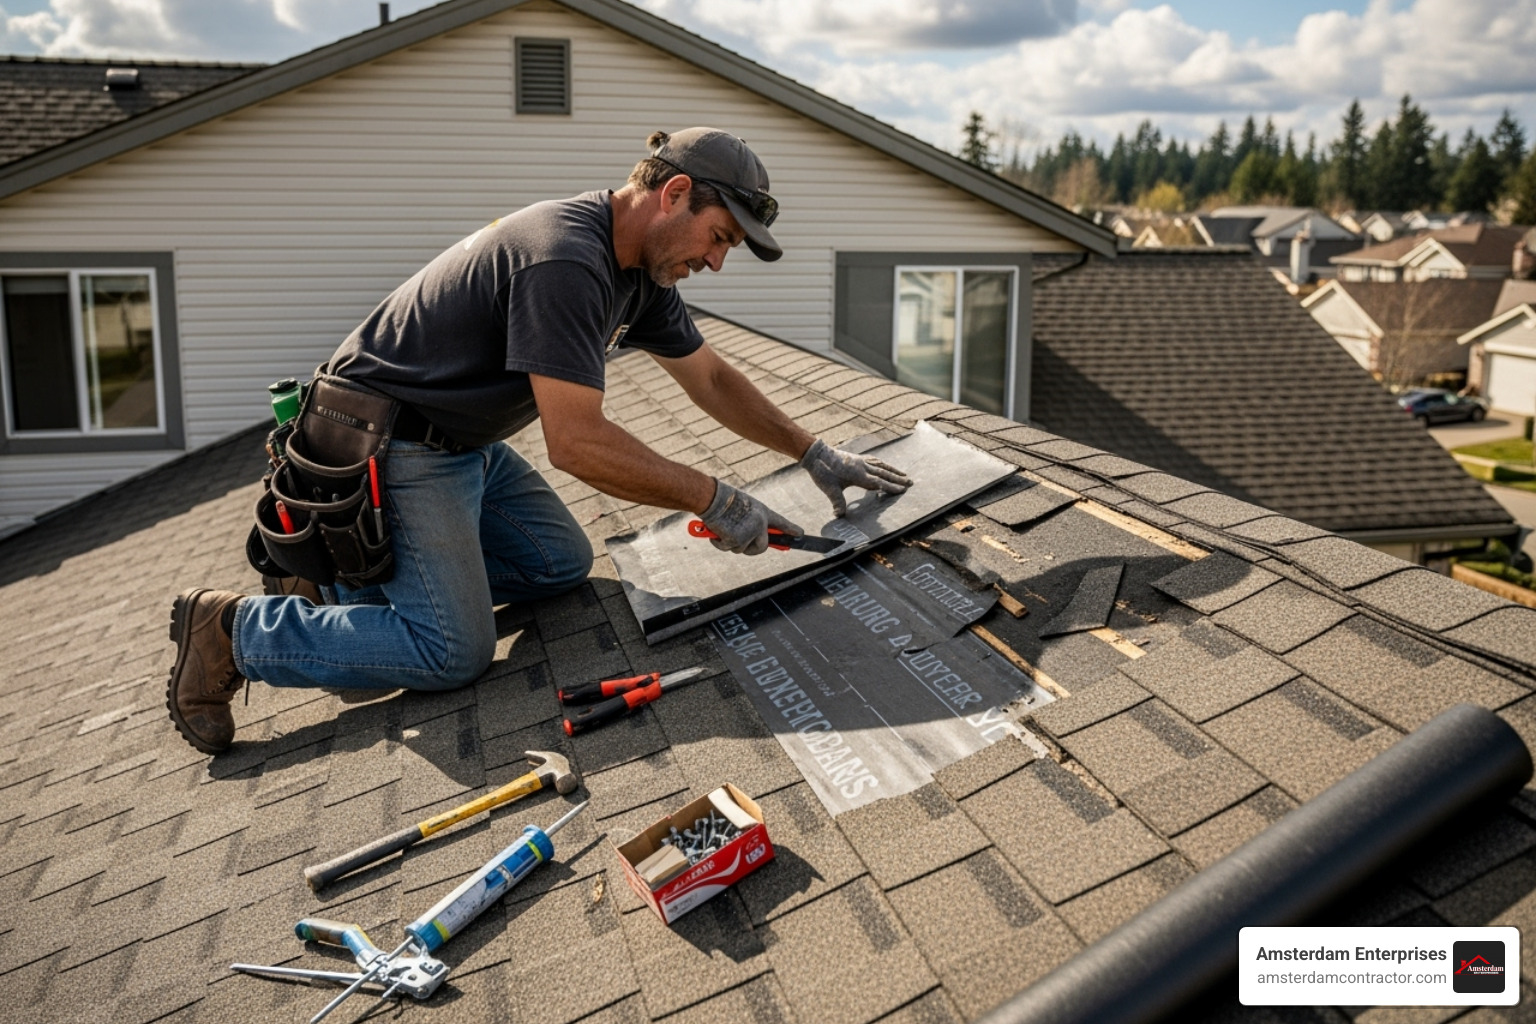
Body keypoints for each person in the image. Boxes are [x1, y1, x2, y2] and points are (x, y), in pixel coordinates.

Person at [166, 127, 911, 754]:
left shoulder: (641, 274)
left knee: (557, 562)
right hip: (387, 443)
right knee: (450, 651)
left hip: (462, 442)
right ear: (675, 193)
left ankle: (341, 587)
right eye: (719, 237)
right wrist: (715, 500)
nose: (716, 261)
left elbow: (711, 378)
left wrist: (813, 452)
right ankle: (234, 632)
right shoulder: (566, 258)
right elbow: (577, 444)